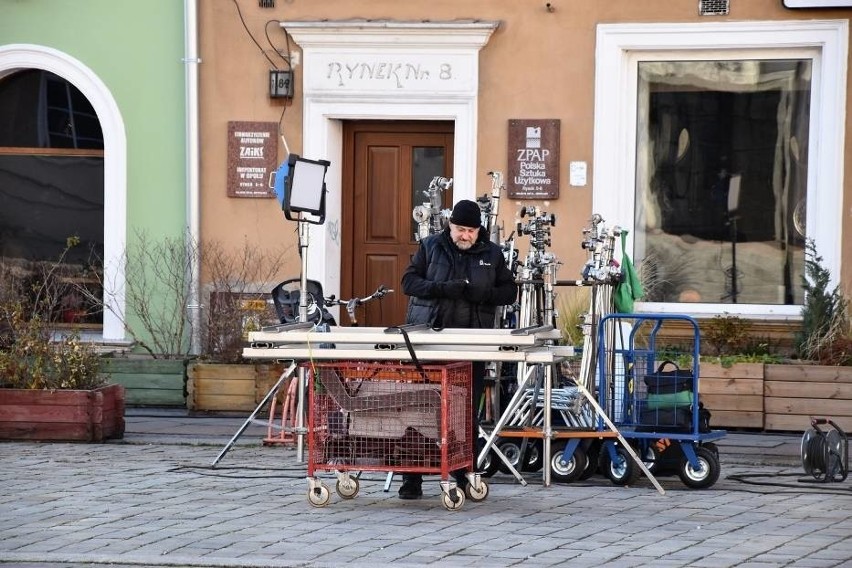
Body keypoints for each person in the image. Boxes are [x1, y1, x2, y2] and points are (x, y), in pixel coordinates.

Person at [398, 198, 518, 499]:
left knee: (465, 414)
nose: (465, 236)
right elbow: (408, 282)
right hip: (429, 343)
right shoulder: (430, 247)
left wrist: (484, 294)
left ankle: (464, 473)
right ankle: (411, 477)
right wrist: (441, 289)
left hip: (471, 344)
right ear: (449, 226)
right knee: (419, 410)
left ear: (479, 231)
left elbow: (509, 291)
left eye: (471, 231)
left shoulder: (492, 254)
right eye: (460, 229)